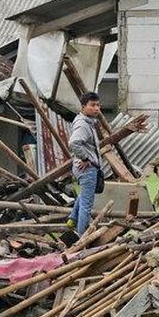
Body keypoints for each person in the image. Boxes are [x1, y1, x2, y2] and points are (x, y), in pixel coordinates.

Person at [68, 91, 103, 235]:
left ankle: (72, 219)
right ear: (83, 107)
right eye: (92, 105)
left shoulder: (88, 122)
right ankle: (81, 237)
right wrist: (85, 158)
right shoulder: (83, 124)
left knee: (83, 196)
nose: (96, 108)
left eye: (98, 105)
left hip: (85, 168)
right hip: (87, 169)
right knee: (86, 205)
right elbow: (74, 143)